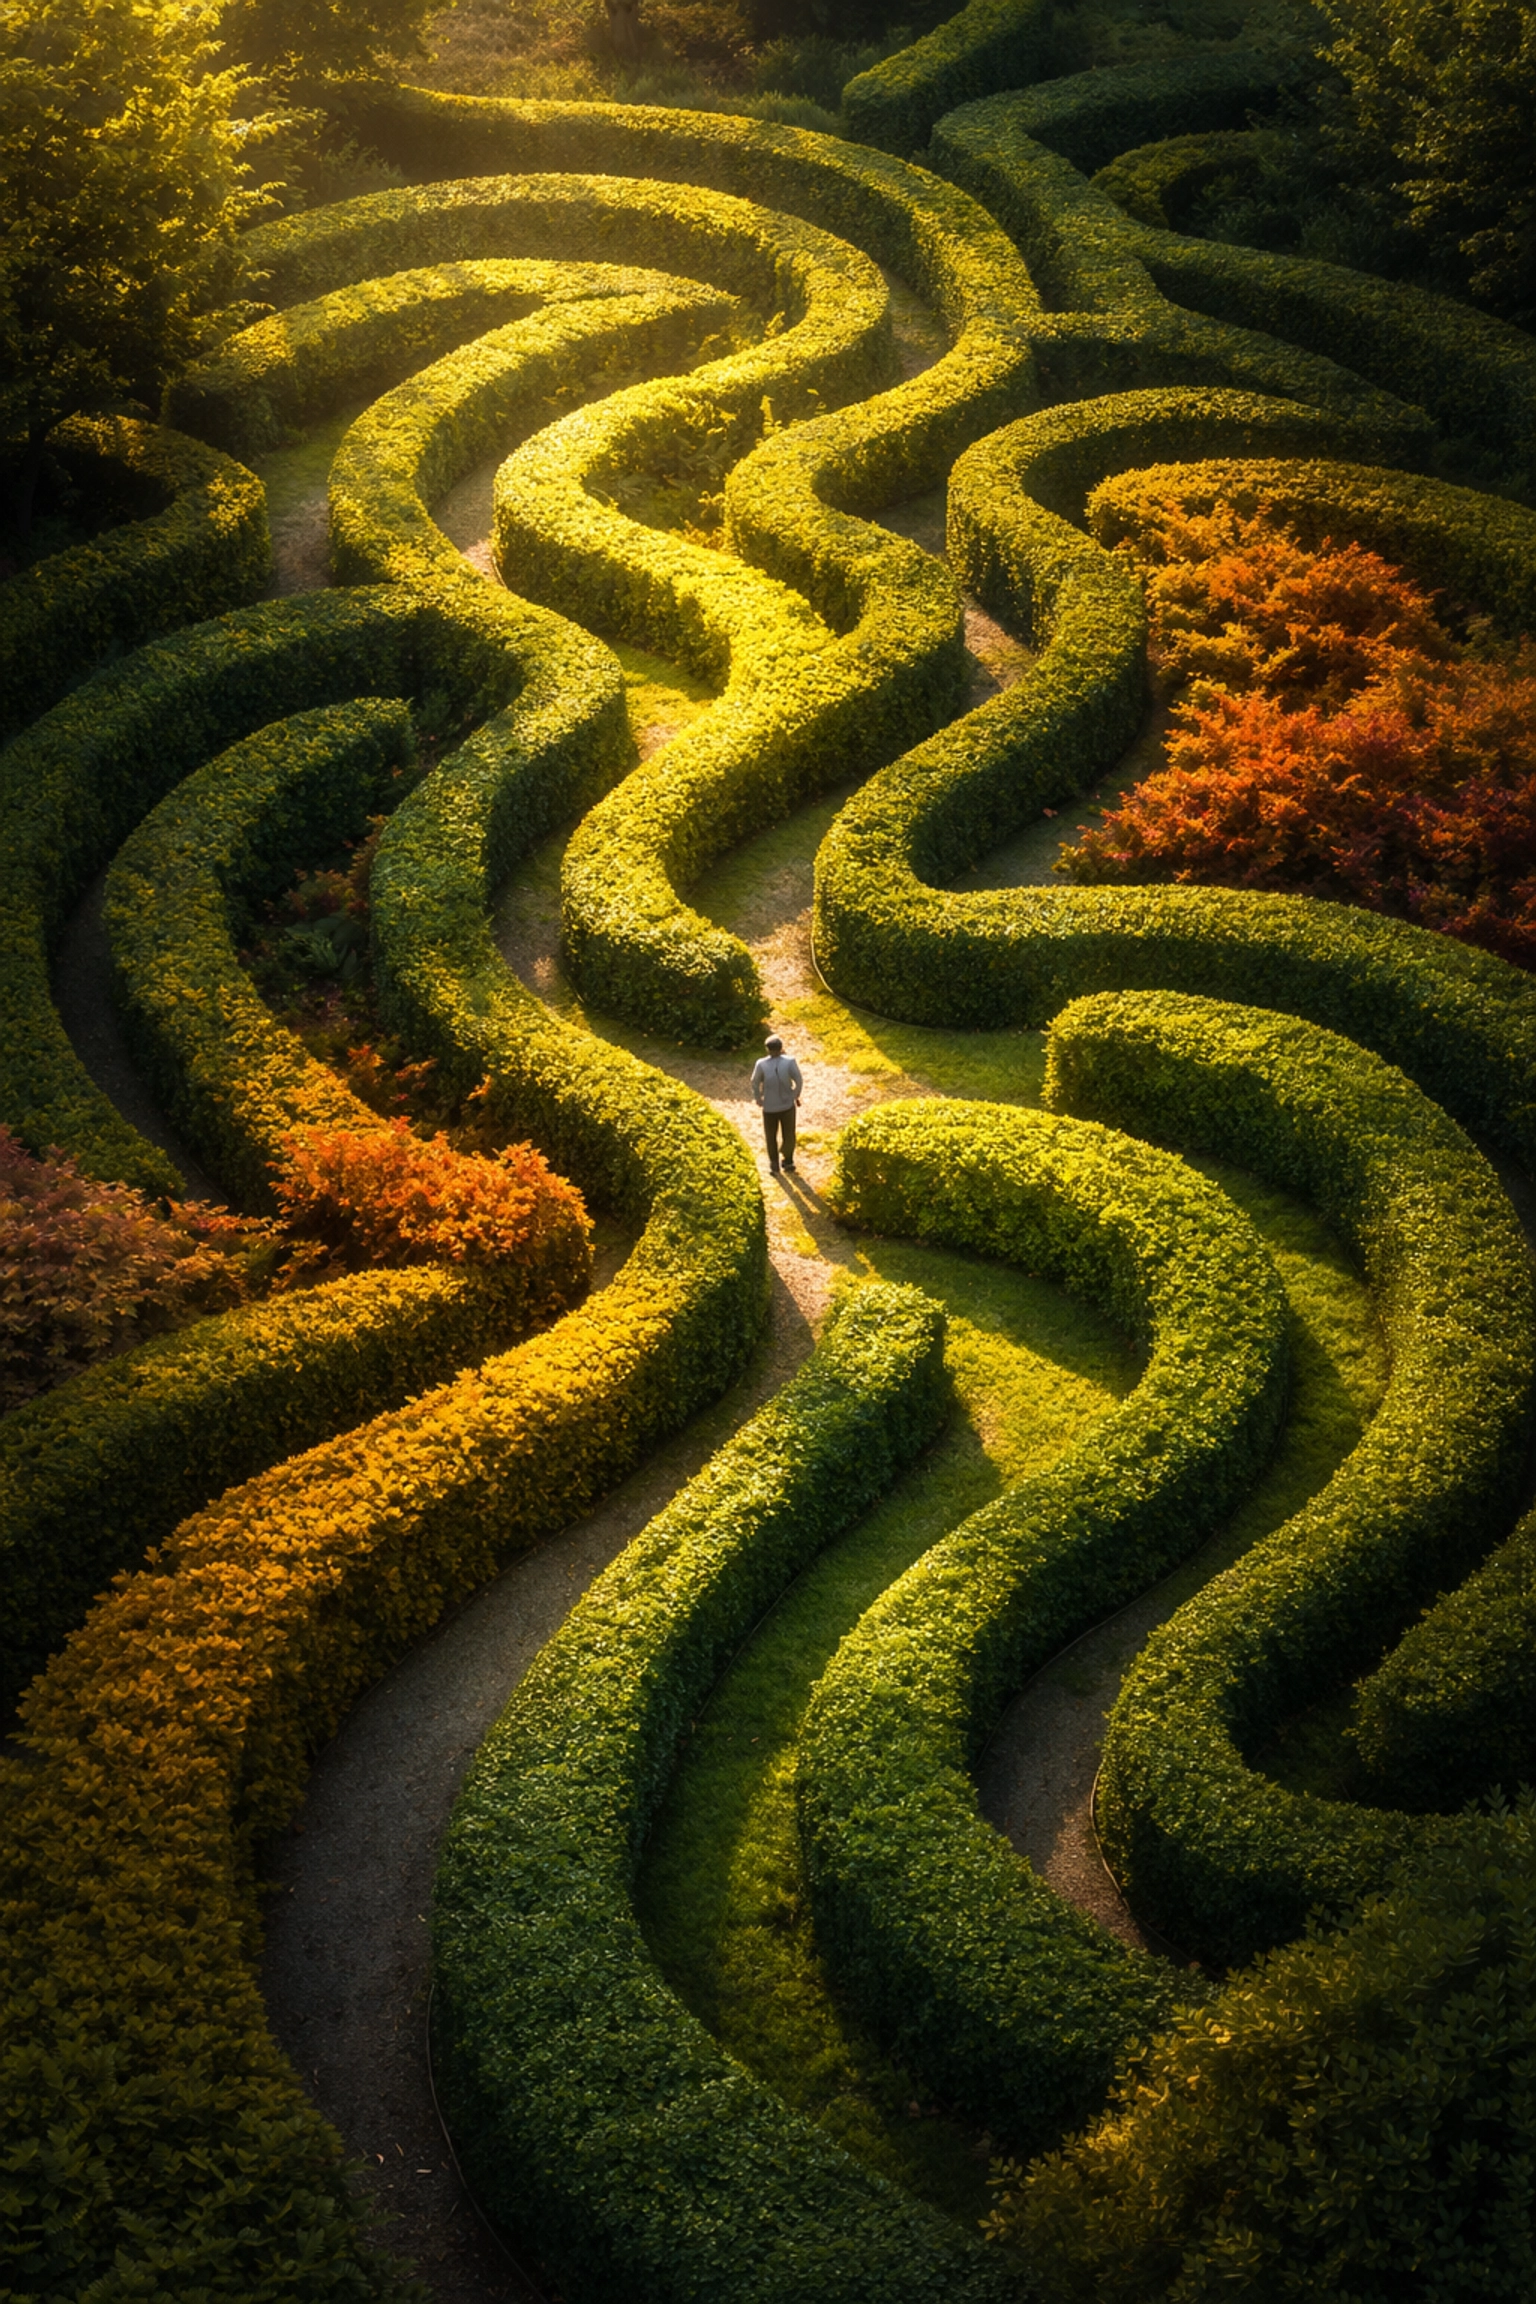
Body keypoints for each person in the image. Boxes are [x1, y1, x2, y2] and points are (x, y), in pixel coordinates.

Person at [750, 1034, 802, 1175]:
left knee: (771, 1135)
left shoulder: (761, 1064)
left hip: (769, 1106)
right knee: (789, 1134)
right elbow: (798, 1079)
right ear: (781, 1047)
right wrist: (795, 1094)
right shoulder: (790, 1061)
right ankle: (788, 1160)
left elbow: (755, 1082)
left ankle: (774, 1164)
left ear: (767, 1049)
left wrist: (758, 1098)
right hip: (787, 1105)